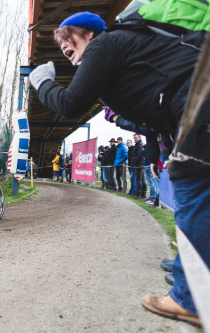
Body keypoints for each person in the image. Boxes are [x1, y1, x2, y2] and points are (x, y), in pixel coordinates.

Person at [29, 10, 210, 325]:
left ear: (89, 33)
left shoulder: (104, 45)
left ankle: (191, 299)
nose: (63, 48)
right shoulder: (120, 53)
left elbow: (70, 104)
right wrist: (156, 155)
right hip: (192, 102)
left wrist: (42, 82)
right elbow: (151, 118)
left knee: (191, 192)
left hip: (197, 101)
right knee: (196, 195)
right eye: (60, 47)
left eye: (66, 39)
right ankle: (189, 282)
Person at [131, 134, 147, 199]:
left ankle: (139, 194)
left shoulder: (140, 144)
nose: (135, 139)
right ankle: (143, 194)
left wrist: (134, 163)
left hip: (139, 164)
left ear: (139, 137)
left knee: (139, 179)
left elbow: (139, 155)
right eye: (134, 137)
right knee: (141, 179)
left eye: (136, 137)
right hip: (139, 164)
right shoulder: (138, 144)